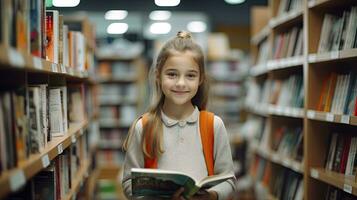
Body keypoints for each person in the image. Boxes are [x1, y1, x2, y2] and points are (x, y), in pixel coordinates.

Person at [122, 30, 236, 200]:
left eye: (190, 75)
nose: (181, 83)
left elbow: (229, 180)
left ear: (201, 79)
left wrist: (211, 196)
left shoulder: (213, 125)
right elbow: (128, 183)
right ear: (158, 76)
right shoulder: (144, 127)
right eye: (172, 74)